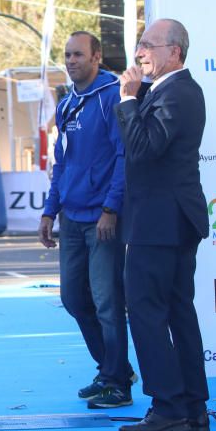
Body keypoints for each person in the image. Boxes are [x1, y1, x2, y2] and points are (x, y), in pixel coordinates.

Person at [113, 19, 210, 431]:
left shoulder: (180, 92)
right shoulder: (165, 91)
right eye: (140, 45)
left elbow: (143, 149)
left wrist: (130, 101)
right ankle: (191, 407)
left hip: (162, 222)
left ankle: (168, 405)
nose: (139, 54)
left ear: (175, 51)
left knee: (149, 311)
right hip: (163, 220)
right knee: (175, 311)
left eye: (148, 45)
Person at [39, 32, 134, 409]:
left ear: (97, 57)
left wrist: (111, 209)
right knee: (73, 297)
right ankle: (113, 370)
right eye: (67, 55)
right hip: (71, 217)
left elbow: (123, 156)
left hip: (102, 219)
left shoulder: (112, 95)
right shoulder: (67, 103)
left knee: (107, 300)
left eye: (78, 54)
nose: (71, 60)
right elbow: (62, 162)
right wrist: (50, 209)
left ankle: (117, 384)